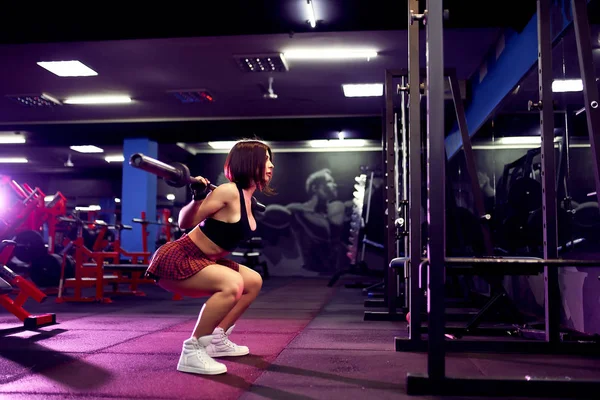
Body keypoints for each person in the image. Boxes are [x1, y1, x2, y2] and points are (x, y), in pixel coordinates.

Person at [145, 139, 275, 375]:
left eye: (270, 159)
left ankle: (217, 339)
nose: (270, 165)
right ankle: (193, 349)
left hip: (205, 261)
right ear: (249, 163)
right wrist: (197, 198)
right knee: (233, 283)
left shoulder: (245, 197)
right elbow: (184, 223)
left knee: (253, 281)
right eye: (265, 159)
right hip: (178, 258)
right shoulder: (228, 191)